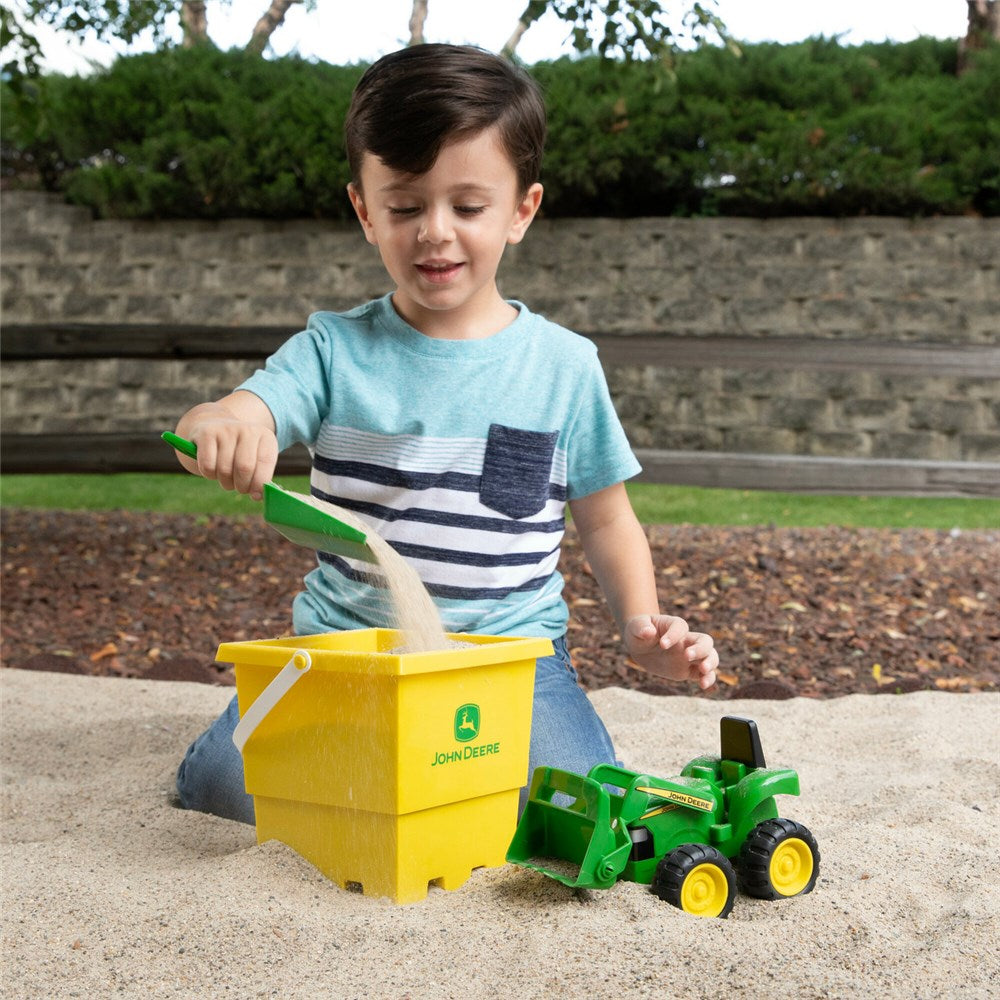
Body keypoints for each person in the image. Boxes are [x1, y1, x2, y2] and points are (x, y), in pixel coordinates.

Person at [171, 44, 718, 824]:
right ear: (365, 211)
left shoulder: (563, 367)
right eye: (404, 207)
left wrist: (639, 623)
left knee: (577, 805)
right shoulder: (333, 351)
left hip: (506, 662)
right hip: (348, 654)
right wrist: (221, 424)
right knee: (225, 788)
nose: (435, 233)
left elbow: (604, 517)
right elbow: (240, 408)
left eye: (467, 207)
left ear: (521, 211)